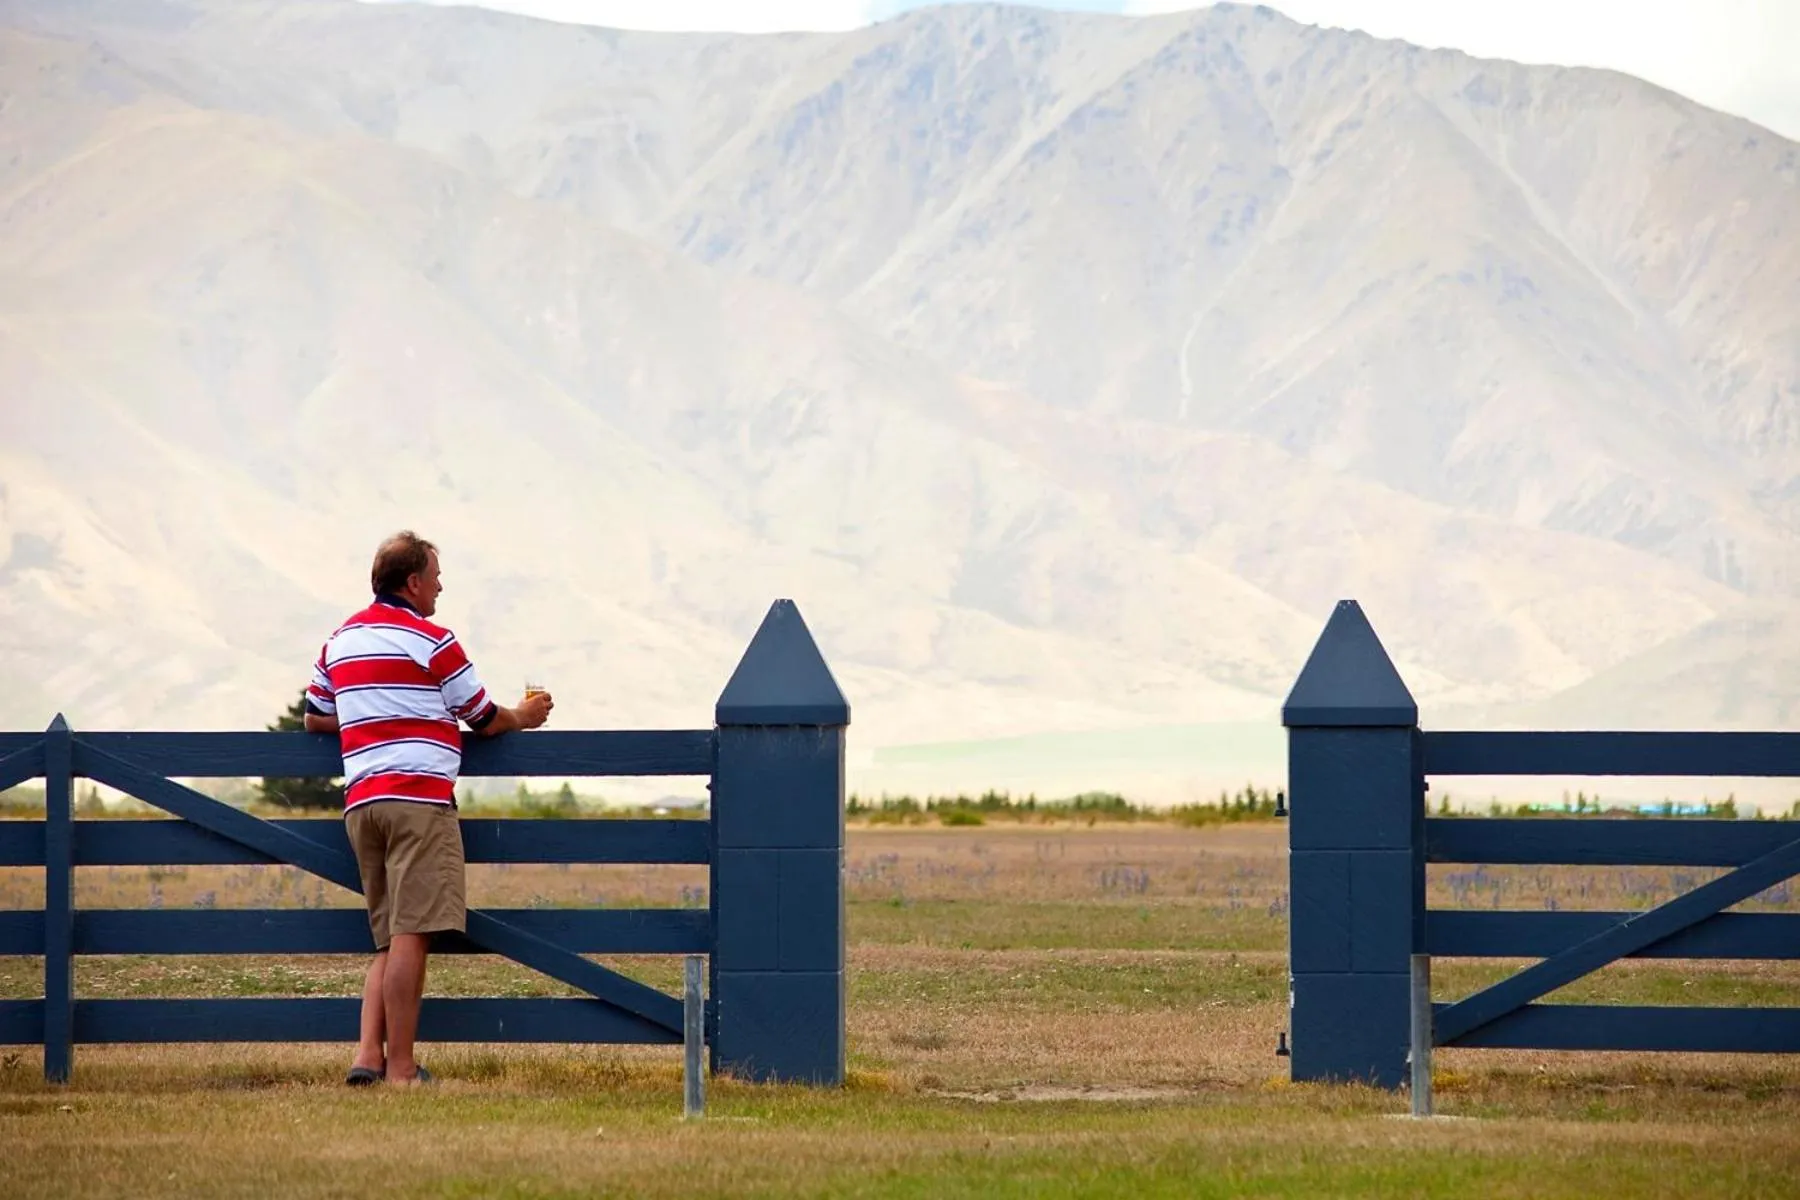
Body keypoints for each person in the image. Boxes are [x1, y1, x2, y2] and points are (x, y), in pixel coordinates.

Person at [301, 531, 553, 1086]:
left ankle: (367, 1057)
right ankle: (401, 1069)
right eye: (435, 576)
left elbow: (315, 716)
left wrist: (372, 714)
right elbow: (483, 717)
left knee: (390, 936)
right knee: (414, 935)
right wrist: (525, 714)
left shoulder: (339, 640)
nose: (440, 586)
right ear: (412, 582)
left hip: (362, 803)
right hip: (419, 800)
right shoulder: (434, 639)